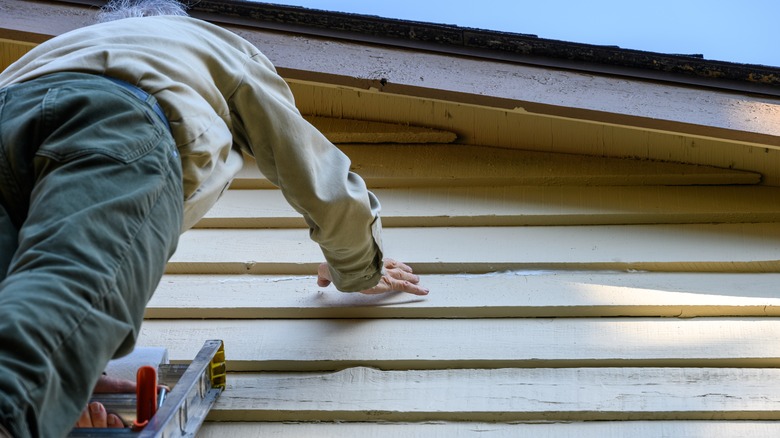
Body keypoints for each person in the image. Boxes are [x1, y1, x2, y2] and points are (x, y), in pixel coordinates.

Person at [0, 0, 428, 436]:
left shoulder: (53, 51)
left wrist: (74, 379)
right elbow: (311, 168)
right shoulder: (211, 44)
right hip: (113, 120)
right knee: (73, 275)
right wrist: (356, 266)